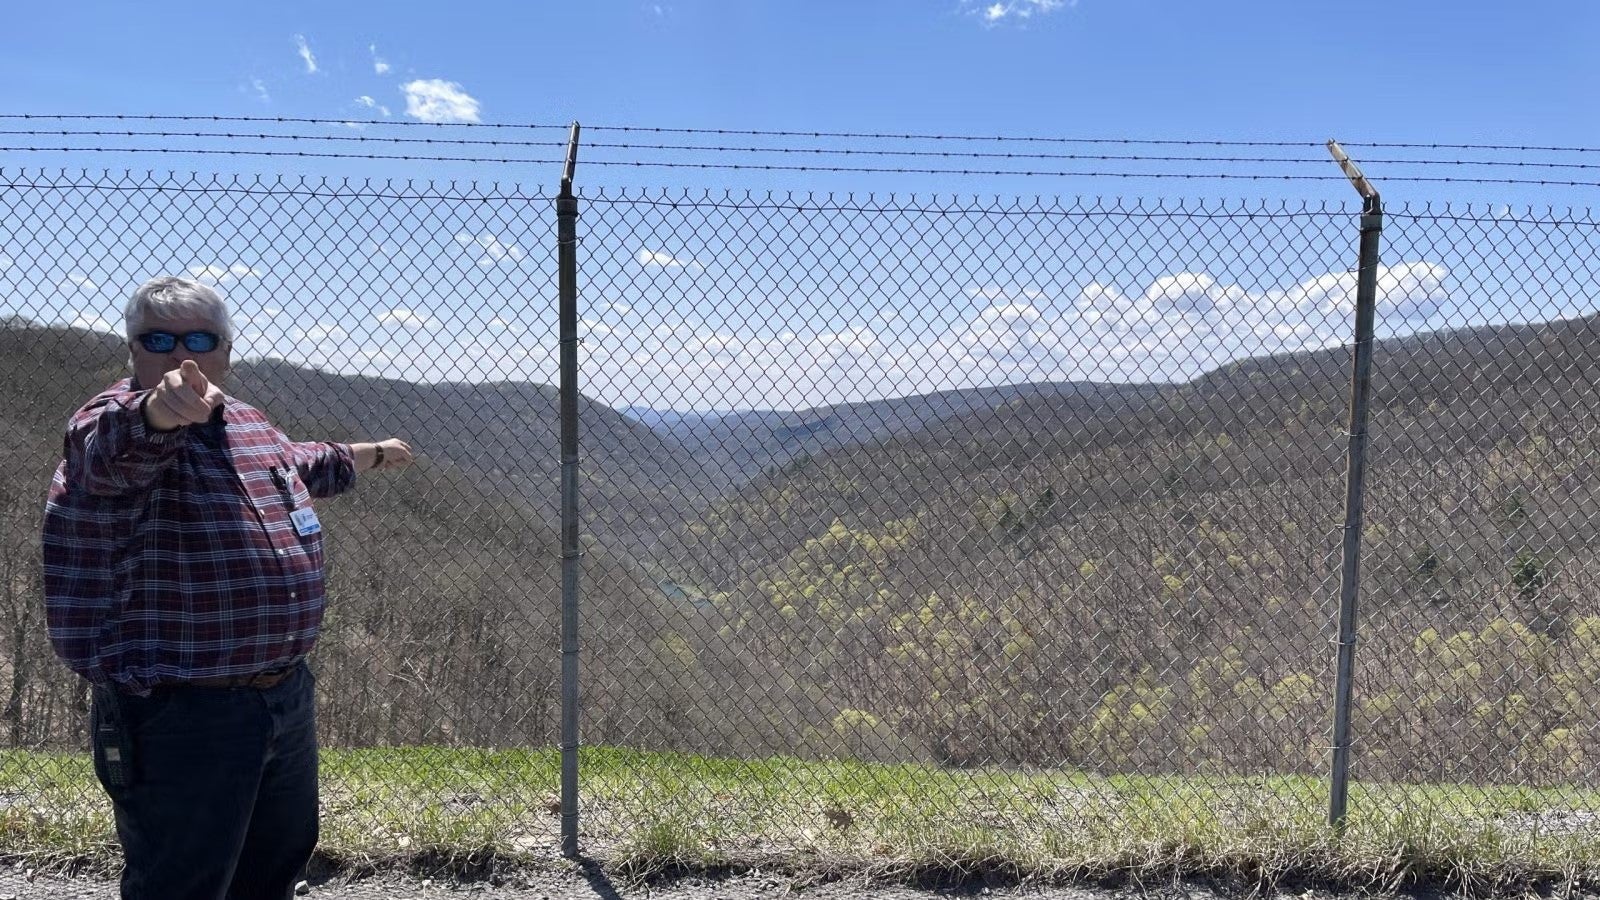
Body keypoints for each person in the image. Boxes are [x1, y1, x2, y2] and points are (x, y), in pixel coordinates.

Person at [42, 275, 415, 899]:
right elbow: (113, 452)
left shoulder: (243, 421)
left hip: (281, 696)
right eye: (158, 339)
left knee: (271, 874)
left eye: (198, 339)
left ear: (226, 351)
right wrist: (160, 413)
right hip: (181, 711)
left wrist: (371, 452)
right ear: (133, 349)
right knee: (182, 884)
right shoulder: (107, 424)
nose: (179, 355)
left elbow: (294, 463)